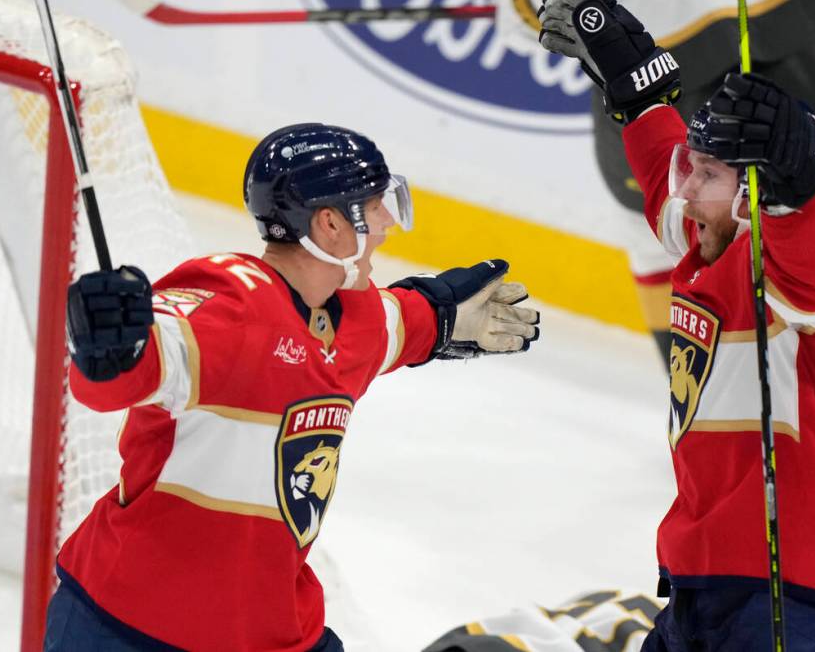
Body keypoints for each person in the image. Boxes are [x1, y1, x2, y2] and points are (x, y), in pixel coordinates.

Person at [47, 123, 540, 651]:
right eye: (375, 207)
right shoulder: (227, 305)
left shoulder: (358, 316)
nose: (387, 225)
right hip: (131, 624)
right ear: (329, 223)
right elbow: (133, 371)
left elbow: (406, 323)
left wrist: (446, 316)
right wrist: (113, 349)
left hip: (273, 627)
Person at [540, 1, 815, 649]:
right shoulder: (704, 236)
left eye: (708, 174)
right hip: (704, 571)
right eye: (692, 166)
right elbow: (660, 171)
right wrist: (640, 99)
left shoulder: (805, 276)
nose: (686, 186)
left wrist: (791, 198)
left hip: (793, 581)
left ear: (757, 194)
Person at [580, 0, 815, 497]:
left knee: (664, 236)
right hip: (781, 35)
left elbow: (539, 17)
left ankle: (700, 402)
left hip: (657, 64)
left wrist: (558, 18)